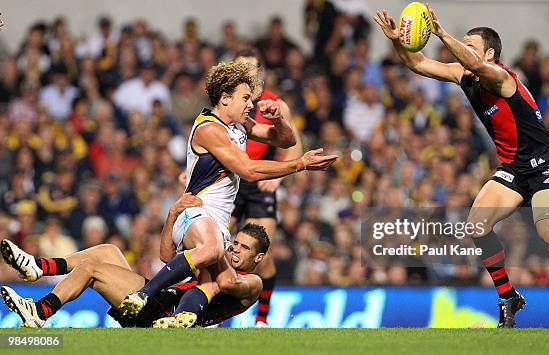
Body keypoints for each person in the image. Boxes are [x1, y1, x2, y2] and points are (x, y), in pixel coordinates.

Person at [374, 5, 549, 328]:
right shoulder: (464, 75)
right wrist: (398, 41)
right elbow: (417, 62)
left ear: (490, 54)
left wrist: (440, 33)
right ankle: (507, 296)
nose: (464, 52)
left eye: (471, 46)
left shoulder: (502, 78)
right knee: (475, 225)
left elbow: (472, 63)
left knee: (548, 231)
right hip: (513, 167)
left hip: (545, 166)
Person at [118, 61, 337, 322]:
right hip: (196, 213)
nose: (250, 104)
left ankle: (178, 321)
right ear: (224, 98)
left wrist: (279, 119)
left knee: (219, 284)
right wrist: (300, 164)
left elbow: (286, 140)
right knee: (211, 249)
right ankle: (143, 295)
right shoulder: (209, 129)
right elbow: (248, 170)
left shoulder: (240, 125)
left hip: (216, 221)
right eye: (245, 98)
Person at [0, 195, 269, 328]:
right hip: (158, 299)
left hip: (165, 317)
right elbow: (167, 257)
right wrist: (173, 214)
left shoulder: (252, 282)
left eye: (243, 248)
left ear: (258, 258)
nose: (234, 249)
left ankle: (41, 311)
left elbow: (226, 282)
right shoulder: (215, 256)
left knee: (91, 269)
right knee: (108, 251)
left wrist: (214, 245)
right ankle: (40, 268)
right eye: (234, 243)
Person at [231, 49, 304, 327]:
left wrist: (278, 178)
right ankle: (207, 310)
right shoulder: (229, 103)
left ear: (260, 72)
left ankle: (261, 320)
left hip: (259, 183)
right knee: (215, 248)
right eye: (241, 69)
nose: (247, 74)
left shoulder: (275, 104)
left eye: (251, 68)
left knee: (262, 252)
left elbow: (294, 144)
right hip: (231, 183)